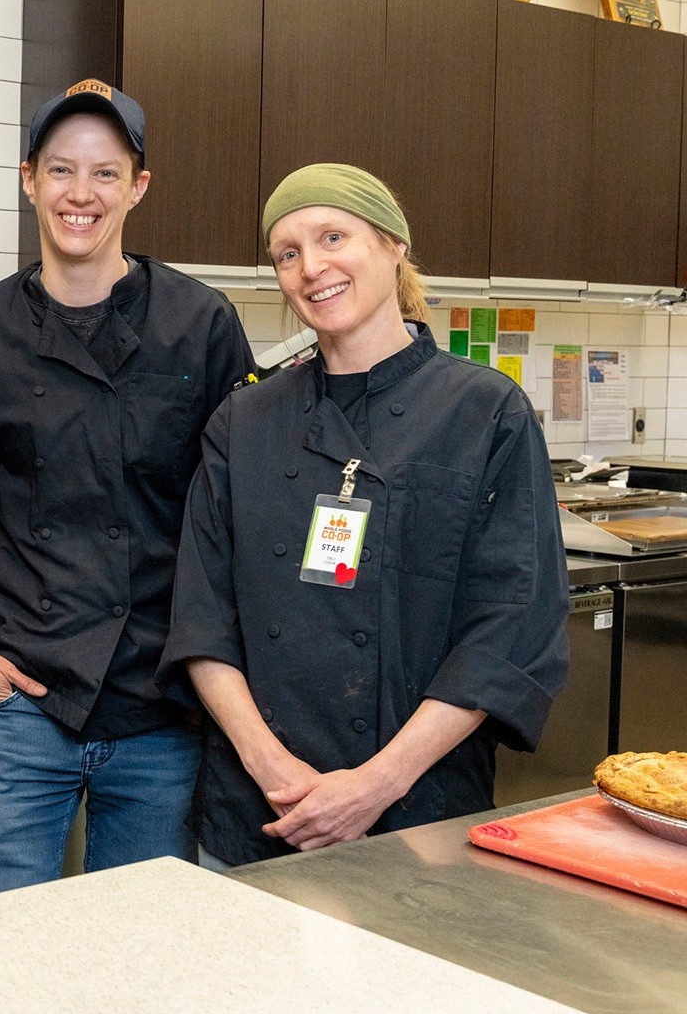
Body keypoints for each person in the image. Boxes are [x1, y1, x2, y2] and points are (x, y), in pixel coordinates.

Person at [160, 163, 568, 866]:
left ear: (393, 245)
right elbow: (202, 615)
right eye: (287, 253)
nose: (311, 267)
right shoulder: (245, 419)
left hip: (418, 815)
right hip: (258, 812)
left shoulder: (485, 412)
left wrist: (375, 784)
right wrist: (273, 772)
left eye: (332, 236)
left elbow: (508, 626)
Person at [0, 80, 256, 896]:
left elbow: (231, 515)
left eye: (106, 174)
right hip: (20, 697)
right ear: (28, 179)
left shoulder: (202, 323)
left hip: (162, 706)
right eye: (61, 171)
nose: (82, 194)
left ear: (138, 187)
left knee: (140, 959)